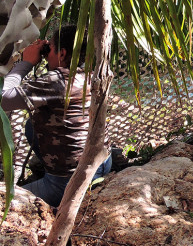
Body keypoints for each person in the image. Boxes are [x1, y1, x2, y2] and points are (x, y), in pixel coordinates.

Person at [1, 25, 111, 208]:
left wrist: (26, 62)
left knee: (5, 202)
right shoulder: (94, 73)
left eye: (49, 49)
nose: (46, 54)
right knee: (32, 125)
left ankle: (55, 189)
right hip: (102, 163)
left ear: (62, 54)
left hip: (69, 182)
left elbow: (3, 97)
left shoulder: (59, 82)